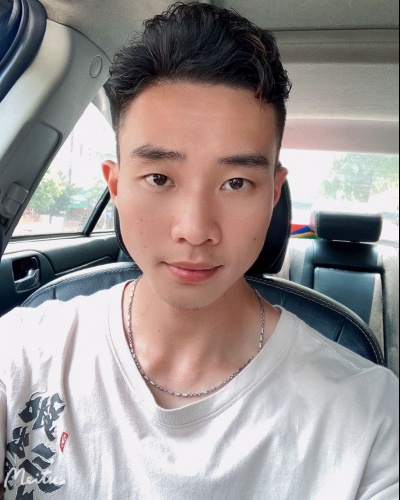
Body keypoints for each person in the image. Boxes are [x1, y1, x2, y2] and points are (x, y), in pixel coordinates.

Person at [0, 2, 398, 498]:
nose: (195, 230)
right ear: (116, 186)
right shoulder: (24, 351)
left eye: (236, 182)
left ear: (273, 195)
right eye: (159, 177)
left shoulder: (371, 419)